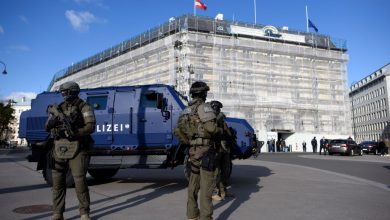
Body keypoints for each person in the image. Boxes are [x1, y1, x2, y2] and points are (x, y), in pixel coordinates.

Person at [45, 81, 96, 220]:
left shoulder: (84, 107)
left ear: (72, 92)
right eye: (62, 92)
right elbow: (47, 126)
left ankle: (84, 213)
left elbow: (91, 126)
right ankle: (57, 213)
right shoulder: (58, 108)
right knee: (57, 182)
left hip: (78, 147)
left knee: (79, 181)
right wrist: (51, 123)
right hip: (59, 147)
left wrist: (76, 132)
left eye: (65, 92)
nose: (63, 95)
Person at [174, 81, 223, 220]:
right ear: (203, 94)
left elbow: (178, 130)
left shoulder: (186, 110)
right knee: (207, 188)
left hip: (193, 151)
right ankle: (205, 217)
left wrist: (189, 142)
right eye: (205, 93)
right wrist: (219, 130)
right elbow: (211, 129)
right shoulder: (204, 107)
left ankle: (191, 216)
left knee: (193, 185)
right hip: (206, 151)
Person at [209, 100, 234, 201]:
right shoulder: (210, 119)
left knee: (225, 170)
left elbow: (227, 133)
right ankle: (214, 192)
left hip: (224, 149)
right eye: (215, 108)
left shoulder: (221, 120)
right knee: (215, 171)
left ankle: (223, 191)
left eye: (218, 109)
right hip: (215, 148)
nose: (217, 110)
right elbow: (212, 131)